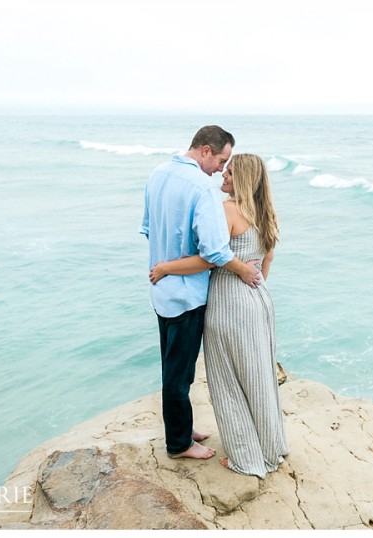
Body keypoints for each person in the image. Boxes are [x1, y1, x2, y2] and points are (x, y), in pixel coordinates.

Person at [149, 153, 289, 478]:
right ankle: (270, 449)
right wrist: (251, 286)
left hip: (228, 302)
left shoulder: (227, 210)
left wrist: (165, 268)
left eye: (228, 172)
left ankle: (245, 457)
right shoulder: (267, 215)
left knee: (228, 380)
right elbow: (265, 263)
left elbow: (211, 258)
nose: (222, 177)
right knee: (259, 378)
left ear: (241, 179)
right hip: (258, 300)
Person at [140, 126, 262, 460]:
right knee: (180, 375)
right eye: (222, 160)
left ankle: (181, 425)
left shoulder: (157, 174)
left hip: (161, 292)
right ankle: (179, 444)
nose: (222, 169)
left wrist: (164, 264)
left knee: (175, 368)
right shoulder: (202, 188)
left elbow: (148, 228)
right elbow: (214, 253)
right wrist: (244, 270)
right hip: (187, 295)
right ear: (206, 150)